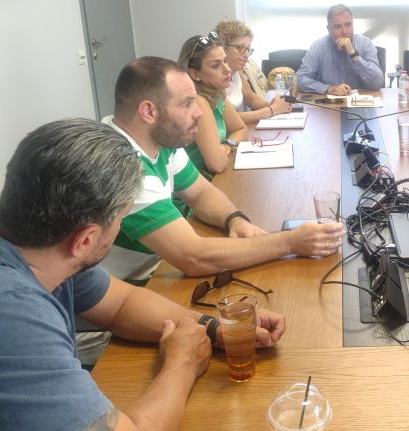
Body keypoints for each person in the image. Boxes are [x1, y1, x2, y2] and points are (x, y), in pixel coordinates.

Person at [0, 118, 286, 431]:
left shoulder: (12, 229)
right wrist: (182, 363)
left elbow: (120, 303)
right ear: (85, 240)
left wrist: (214, 328)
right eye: (120, 219)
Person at [102, 56, 345, 282]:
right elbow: (193, 257)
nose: (199, 113)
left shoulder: (158, 140)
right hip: (137, 286)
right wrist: (290, 242)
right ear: (149, 112)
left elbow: (200, 193)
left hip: (162, 266)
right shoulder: (123, 167)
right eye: (187, 104)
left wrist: (234, 219)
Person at [176, 32, 250, 177]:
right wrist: (226, 148)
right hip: (197, 184)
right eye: (215, 65)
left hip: (215, 177)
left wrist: (226, 146)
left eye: (225, 61)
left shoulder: (216, 92)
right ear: (196, 74)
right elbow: (217, 164)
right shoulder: (198, 100)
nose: (227, 70)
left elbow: (241, 129)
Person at [214, 19, 292, 125]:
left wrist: (272, 104)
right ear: (222, 47)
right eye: (240, 47)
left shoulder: (236, 72)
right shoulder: (211, 77)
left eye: (248, 49)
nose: (246, 54)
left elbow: (250, 97)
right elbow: (229, 119)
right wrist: (272, 109)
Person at [296, 4, 384, 95]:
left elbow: (377, 83)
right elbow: (299, 80)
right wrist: (329, 89)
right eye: (338, 27)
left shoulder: (366, 44)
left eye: (348, 25)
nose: (344, 31)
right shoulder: (318, 46)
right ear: (329, 29)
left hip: (359, 101)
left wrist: (353, 54)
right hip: (328, 102)